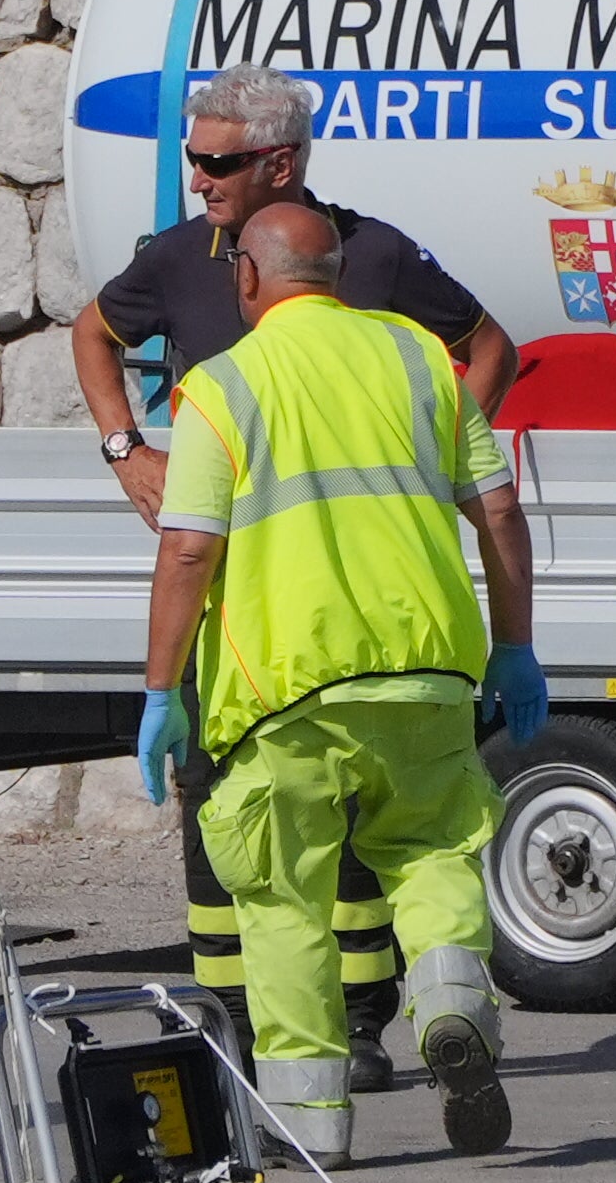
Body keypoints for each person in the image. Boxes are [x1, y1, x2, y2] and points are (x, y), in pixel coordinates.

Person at [74, 66, 519, 1082]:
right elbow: (92, 332)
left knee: (344, 832)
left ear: (281, 162)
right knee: (228, 820)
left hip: (332, 603)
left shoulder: (364, 256)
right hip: (231, 607)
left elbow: (486, 348)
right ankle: (230, 1025)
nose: (197, 180)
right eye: (191, 158)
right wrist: (124, 450)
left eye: (218, 162)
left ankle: (348, 1032)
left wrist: (442, 452)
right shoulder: (183, 259)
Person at [135, 197, 543, 1164]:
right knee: (435, 853)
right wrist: (515, 646)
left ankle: (315, 1127)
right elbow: (499, 513)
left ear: (248, 278)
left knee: (282, 900)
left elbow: (189, 551)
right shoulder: (417, 364)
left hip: (286, 692)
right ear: (334, 275)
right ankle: (452, 1010)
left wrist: (160, 691)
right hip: (430, 672)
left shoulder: (223, 387)